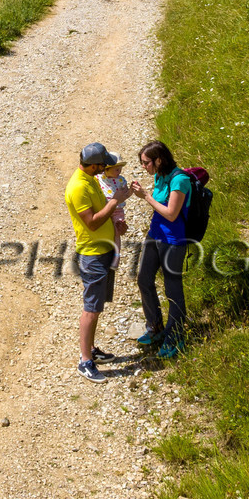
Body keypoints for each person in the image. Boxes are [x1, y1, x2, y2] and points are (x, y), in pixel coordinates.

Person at [65, 142, 130, 382]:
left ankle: (91, 350)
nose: (104, 169)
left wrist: (116, 225)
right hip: (92, 254)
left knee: (97, 305)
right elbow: (91, 222)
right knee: (91, 309)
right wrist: (116, 200)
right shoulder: (78, 187)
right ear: (92, 164)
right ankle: (85, 361)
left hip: (104, 249)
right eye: (102, 165)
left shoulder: (91, 179)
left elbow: (102, 215)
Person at [135, 141, 192, 358]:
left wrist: (146, 196)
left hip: (173, 242)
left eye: (146, 163)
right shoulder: (160, 176)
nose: (144, 167)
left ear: (159, 160)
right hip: (154, 236)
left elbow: (171, 213)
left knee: (172, 290)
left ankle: (175, 336)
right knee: (144, 279)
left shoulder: (179, 180)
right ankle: (156, 327)